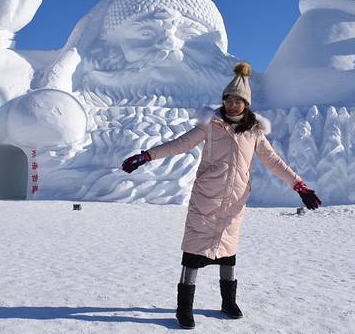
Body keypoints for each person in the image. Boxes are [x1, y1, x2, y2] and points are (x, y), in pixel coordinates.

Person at [121, 62, 321, 329]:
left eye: (238, 101)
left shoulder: (254, 132)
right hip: (206, 198)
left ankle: (228, 302)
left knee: (228, 253)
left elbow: (273, 161)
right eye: (228, 100)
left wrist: (299, 185)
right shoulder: (210, 125)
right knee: (193, 253)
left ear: (246, 104)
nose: (232, 105)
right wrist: (147, 155)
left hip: (233, 204)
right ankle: (184, 309)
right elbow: (181, 144)